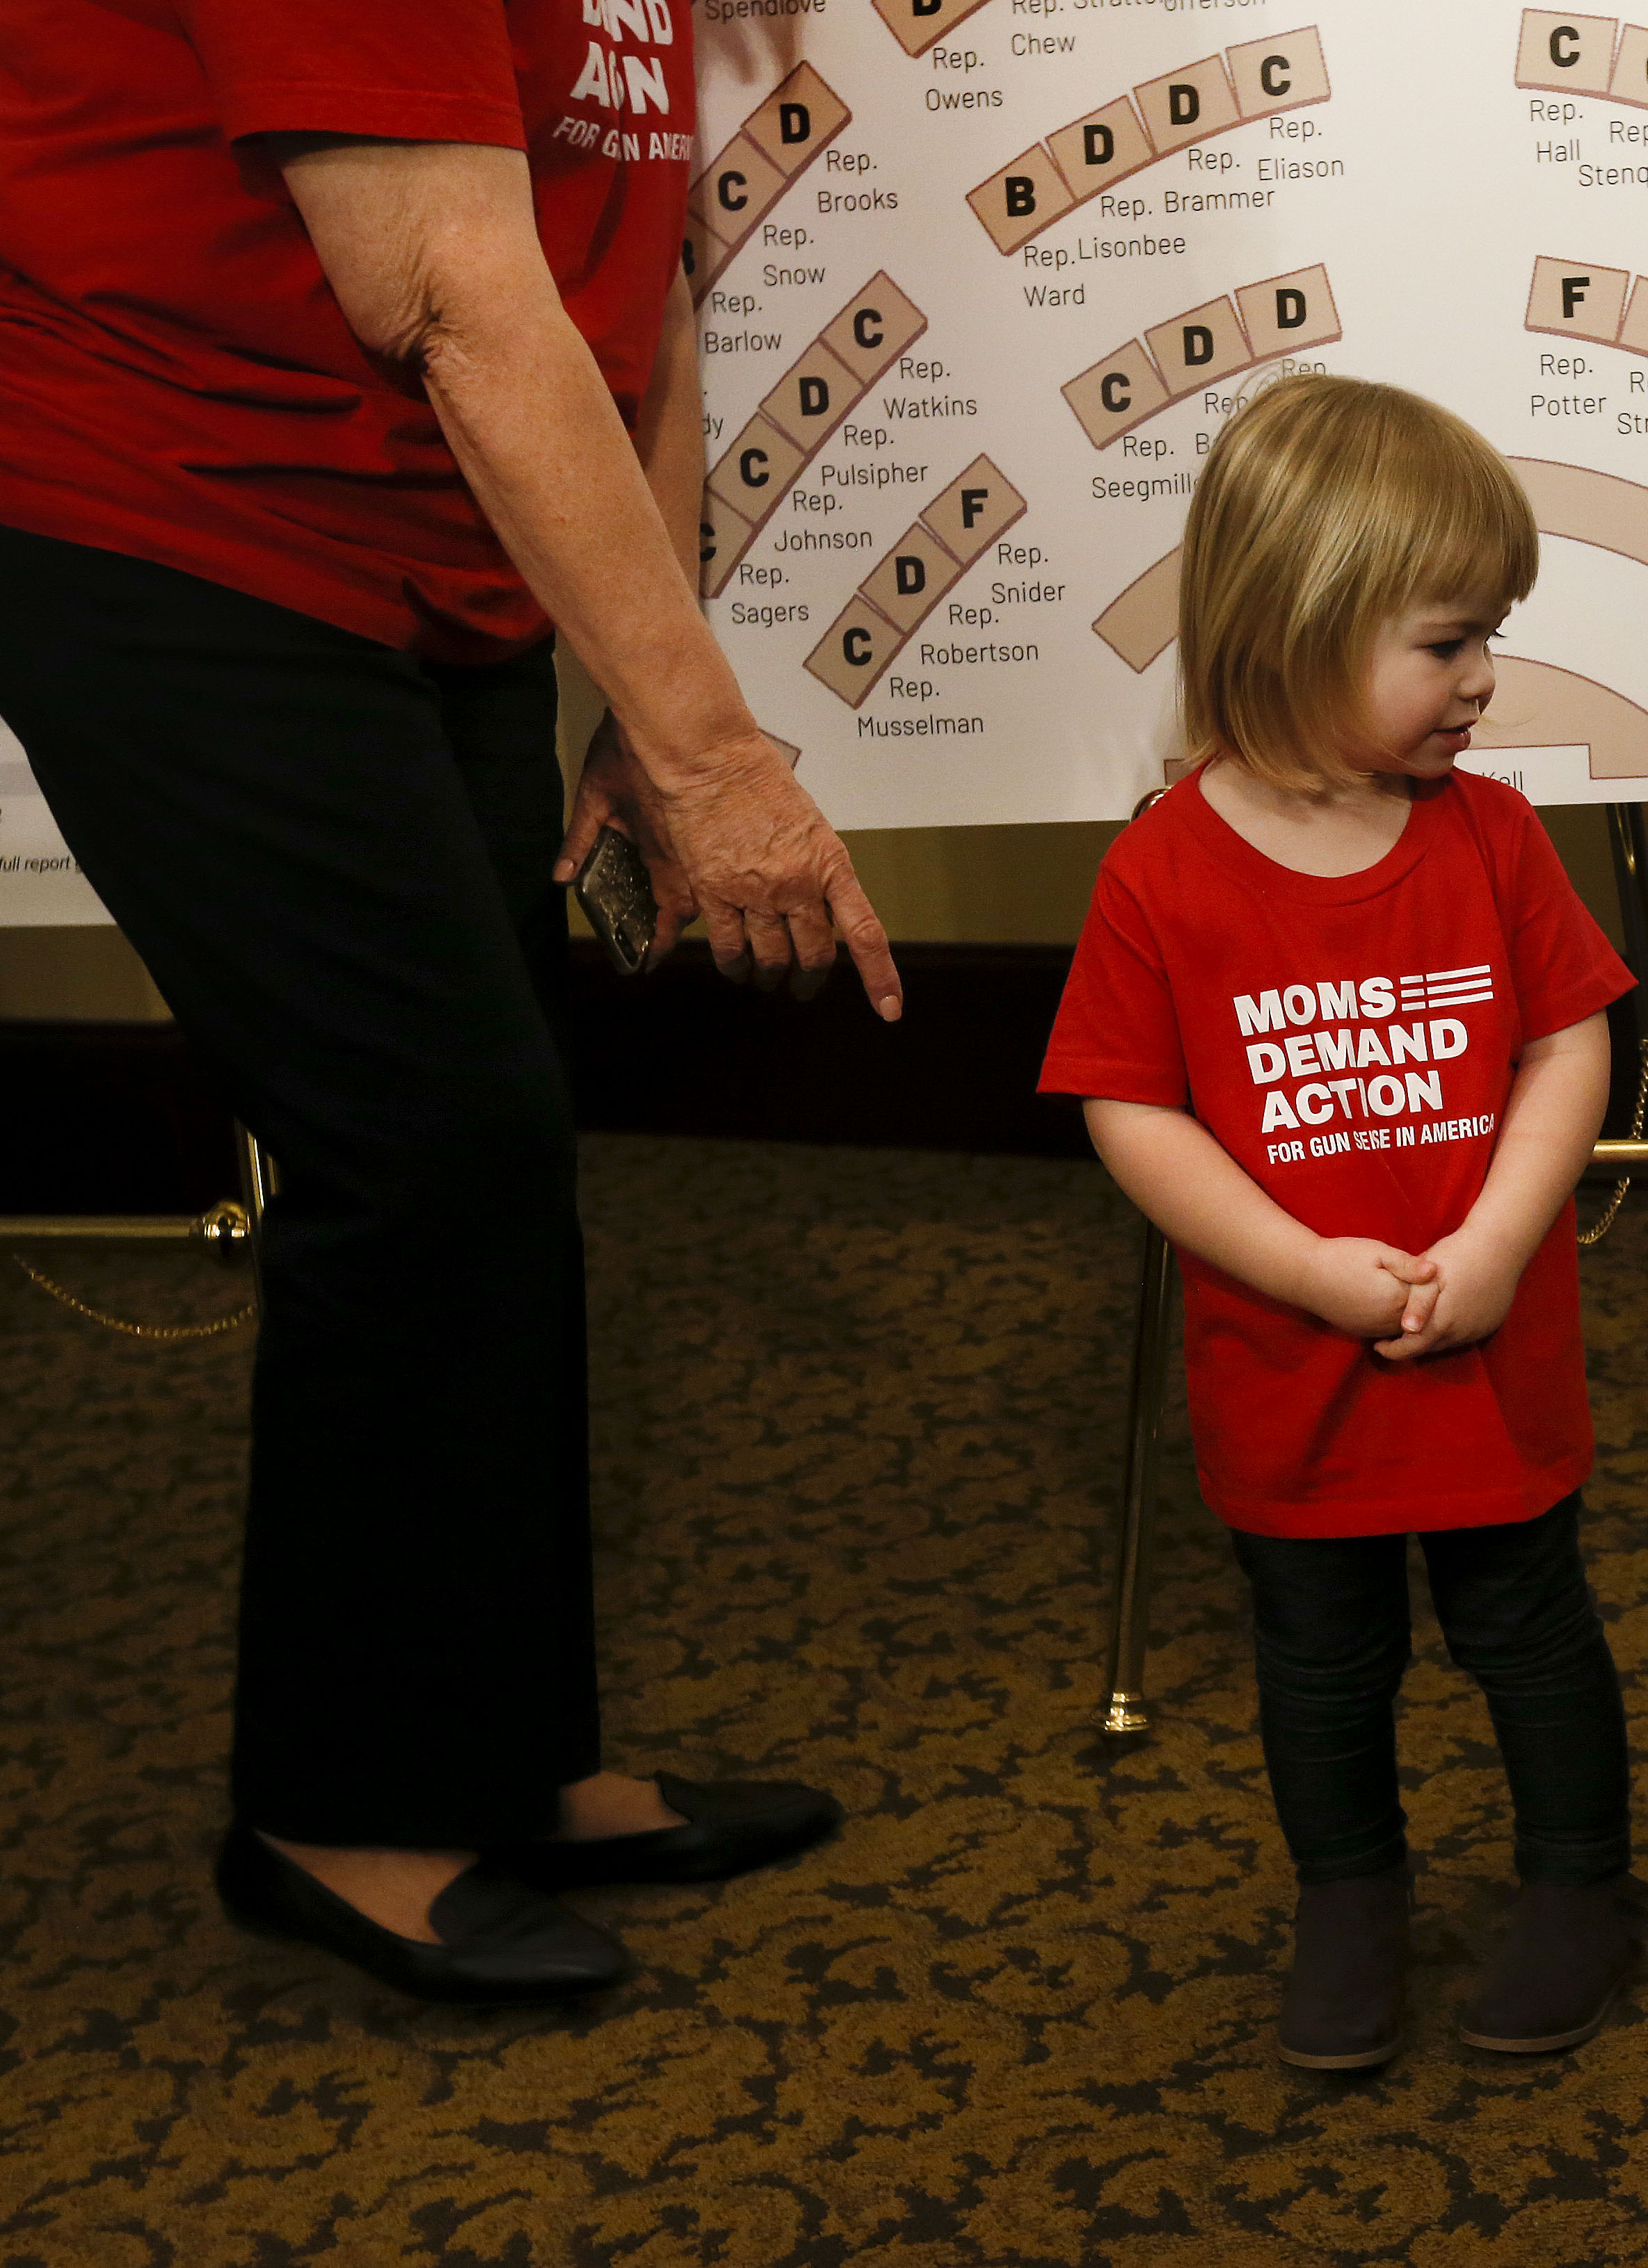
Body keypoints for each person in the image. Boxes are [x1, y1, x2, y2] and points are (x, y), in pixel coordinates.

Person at [0, 5, 896, 2002]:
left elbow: (626, 301)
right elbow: (455, 292)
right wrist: (711, 757)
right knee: (422, 1150)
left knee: (498, 1153)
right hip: (165, 513)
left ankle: (502, 1760)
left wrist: (630, 716)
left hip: (438, 546)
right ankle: (344, 1814)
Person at [1041, 374, 1645, 2069]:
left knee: (1532, 1633)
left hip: (1486, 1362)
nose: (1485, 681)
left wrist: (1509, 1237)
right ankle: (1352, 1899)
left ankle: (1579, 1886)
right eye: (1448, 644)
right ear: (1299, 625)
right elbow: (1129, 1108)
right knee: (1320, 1666)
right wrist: (1303, 1267)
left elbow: (1566, 1039)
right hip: (1289, 1370)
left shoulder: (1494, 836)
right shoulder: (1159, 872)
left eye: (1490, 639)